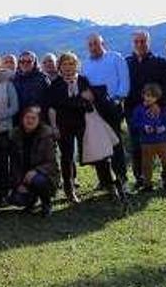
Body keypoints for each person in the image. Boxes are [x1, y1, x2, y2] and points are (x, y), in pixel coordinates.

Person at [46, 52, 124, 204]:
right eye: (65, 64)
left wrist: (87, 98)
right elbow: (52, 108)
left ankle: (109, 185)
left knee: (99, 154)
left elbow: (91, 98)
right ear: (60, 67)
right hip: (64, 125)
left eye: (71, 64)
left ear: (76, 65)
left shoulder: (83, 80)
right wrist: (54, 127)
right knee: (67, 157)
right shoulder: (55, 85)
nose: (68, 67)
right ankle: (69, 190)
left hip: (86, 124)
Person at [125, 31, 166, 187]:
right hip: (133, 111)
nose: (140, 44)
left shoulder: (160, 62)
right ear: (133, 44)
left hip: (156, 111)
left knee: (163, 145)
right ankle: (141, 178)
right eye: (137, 42)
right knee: (136, 145)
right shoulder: (126, 63)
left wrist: (158, 104)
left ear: (149, 42)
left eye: (143, 41)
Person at [82, 33, 130, 188]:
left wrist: (118, 100)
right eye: (90, 45)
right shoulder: (85, 63)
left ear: (103, 44)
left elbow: (124, 81)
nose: (93, 47)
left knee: (116, 143)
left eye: (96, 43)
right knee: (98, 144)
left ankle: (122, 179)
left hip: (112, 105)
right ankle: (104, 180)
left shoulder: (116, 58)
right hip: (94, 108)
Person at [129, 83, 166, 194]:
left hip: (162, 141)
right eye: (147, 95)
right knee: (146, 165)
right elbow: (134, 123)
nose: (149, 98)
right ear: (143, 95)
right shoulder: (138, 110)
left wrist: (163, 128)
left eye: (152, 96)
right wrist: (144, 127)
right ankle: (147, 185)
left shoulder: (161, 110)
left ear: (157, 98)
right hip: (146, 142)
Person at [8, 106, 59, 217]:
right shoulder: (15, 135)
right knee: (15, 199)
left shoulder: (46, 135)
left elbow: (51, 163)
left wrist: (36, 171)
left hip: (44, 176)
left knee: (38, 181)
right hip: (24, 177)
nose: (30, 120)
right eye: (27, 117)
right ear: (22, 119)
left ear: (39, 120)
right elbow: (14, 164)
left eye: (33, 118)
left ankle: (46, 204)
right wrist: (19, 183)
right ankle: (31, 202)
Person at [12, 51, 51, 123]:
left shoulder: (42, 78)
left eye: (29, 61)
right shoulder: (15, 79)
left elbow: (49, 101)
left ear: (34, 63)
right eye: (22, 61)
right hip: (19, 120)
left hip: (39, 119)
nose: (25, 64)